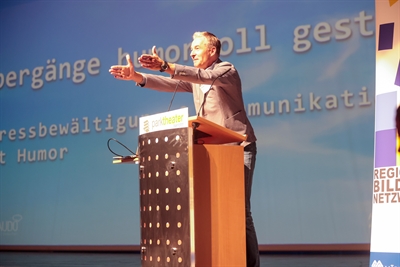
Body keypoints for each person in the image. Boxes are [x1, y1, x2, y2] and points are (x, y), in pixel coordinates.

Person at [109, 31, 260, 267]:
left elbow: (201, 76)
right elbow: (172, 82)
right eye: (191, 48)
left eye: (197, 48)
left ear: (212, 51)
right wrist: (138, 77)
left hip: (238, 147)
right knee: (211, 207)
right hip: (210, 149)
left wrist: (166, 65)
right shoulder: (198, 79)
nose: (191, 52)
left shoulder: (225, 70)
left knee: (240, 211)